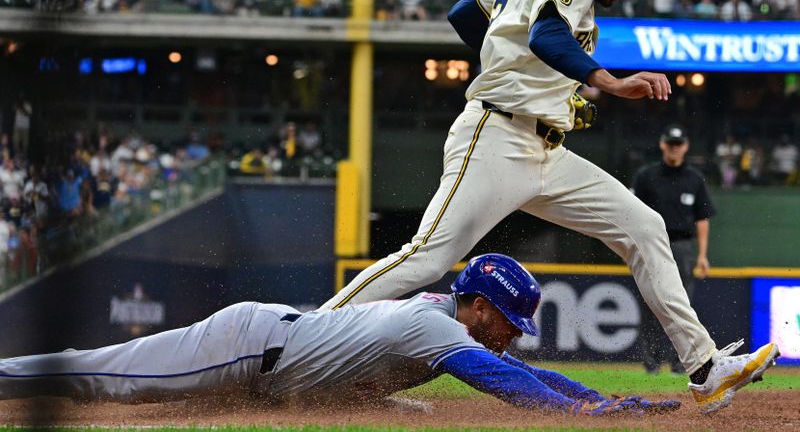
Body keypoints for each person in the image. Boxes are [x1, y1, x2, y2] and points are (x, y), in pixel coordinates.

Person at [320, 0, 779, 414]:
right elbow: (545, 38)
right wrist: (607, 80)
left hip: (544, 149)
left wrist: (540, 83)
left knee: (644, 226)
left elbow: (465, 15)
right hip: (495, 138)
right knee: (425, 256)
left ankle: (705, 368)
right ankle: (299, 338)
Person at [0, 254, 678, 416]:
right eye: (507, 320)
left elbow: (530, 373)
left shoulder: (448, 321)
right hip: (250, 344)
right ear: (475, 305)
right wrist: (581, 410)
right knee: (107, 375)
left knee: (396, 408)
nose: (514, 334)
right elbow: (511, 383)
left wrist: (596, 399)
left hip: (277, 370)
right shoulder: (429, 324)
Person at [631, 125, 715, 374]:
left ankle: (683, 362)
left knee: (683, 304)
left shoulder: (694, 178)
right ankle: (652, 362)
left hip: (682, 245)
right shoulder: (646, 176)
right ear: (662, 144)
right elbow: (632, 213)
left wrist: (702, 255)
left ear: (686, 146)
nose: (674, 148)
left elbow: (702, 219)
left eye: (678, 144)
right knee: (650, 301)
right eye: (671, 144)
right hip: (652, 244)